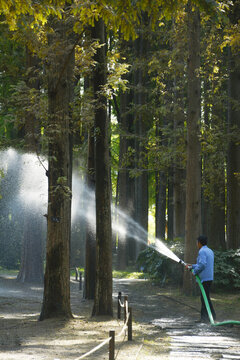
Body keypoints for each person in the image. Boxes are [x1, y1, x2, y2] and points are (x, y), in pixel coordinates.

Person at [187, 235, 216, 323]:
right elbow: (202, 264)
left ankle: (205, 318)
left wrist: (194, 271)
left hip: (205, 279)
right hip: (209, 277)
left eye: (197, 242)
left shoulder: (202, 251)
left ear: (199, 243)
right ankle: (212, 316)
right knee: (206, 297)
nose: (197, 244)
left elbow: (202, 264)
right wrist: (192, 266)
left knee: (204, 298)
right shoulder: (209, 251)